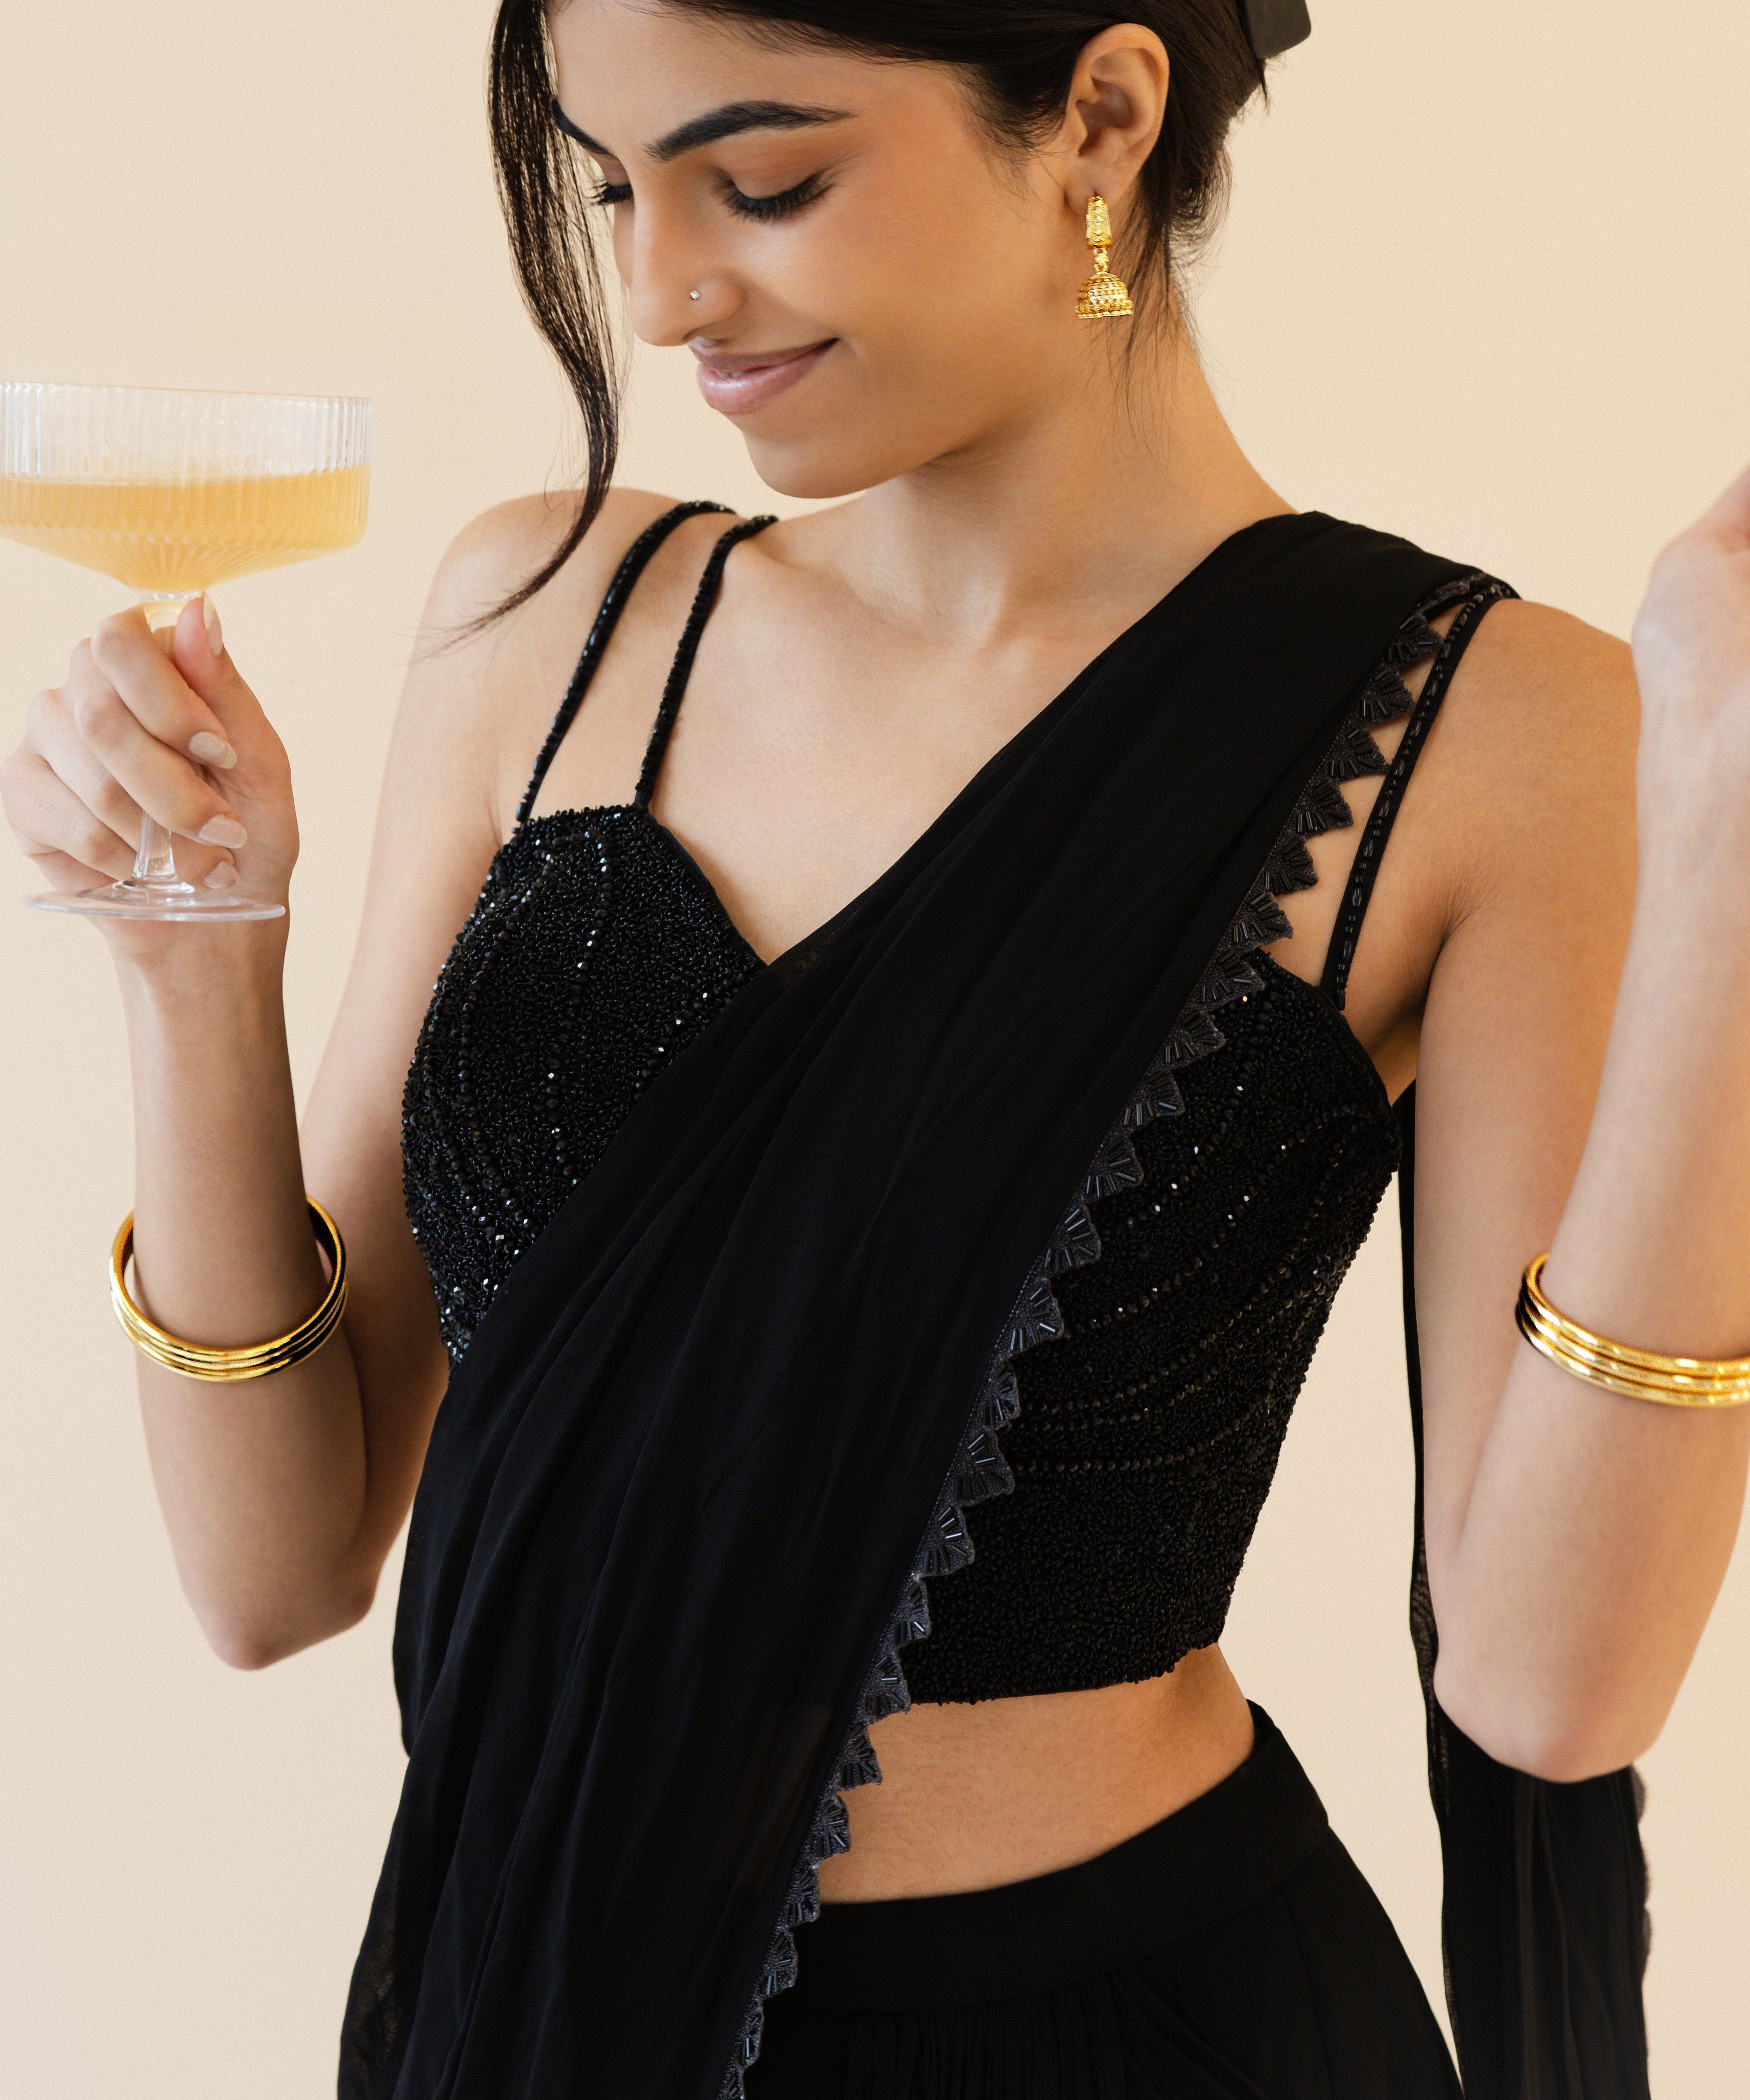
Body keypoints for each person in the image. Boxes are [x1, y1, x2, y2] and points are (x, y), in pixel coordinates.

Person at [5, 4, 1746, 2095]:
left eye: (763, 181)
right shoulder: (540, 621)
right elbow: (269, 1570)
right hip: (520, 2000)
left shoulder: (1493, 732)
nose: (656, 293)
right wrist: (192, 956)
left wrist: (1723, 859)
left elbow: (1551, 1686)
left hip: (1116, 2034)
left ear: (1101, 113)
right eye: (607, 188)